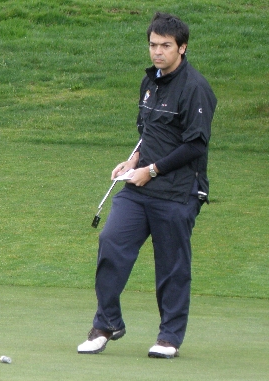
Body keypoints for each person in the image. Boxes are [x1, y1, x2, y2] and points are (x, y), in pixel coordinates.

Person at [77, 12, 216, 359]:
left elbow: (195, 145)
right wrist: (133, 162)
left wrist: (152, 170)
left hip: (179, 191)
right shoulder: (150, 82)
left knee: (171, 265)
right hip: (140, 188)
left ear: (181, 48)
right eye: (153, 45)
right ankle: (107, 323)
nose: (158, 52)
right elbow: (148, 133)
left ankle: (169, 337)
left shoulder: (195, 88)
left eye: (166, 46)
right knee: (111, 241)